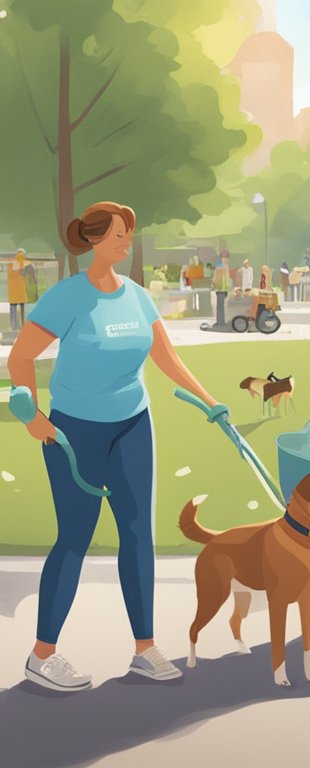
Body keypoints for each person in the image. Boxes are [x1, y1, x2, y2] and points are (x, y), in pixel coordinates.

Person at [7, 201, 228, 691]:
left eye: (129, 236)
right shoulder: (68, 298)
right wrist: (35, 419)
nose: (125, 245)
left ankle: (145, 649)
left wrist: (211, 402)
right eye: (117, 238)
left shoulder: (137, 297)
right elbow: (20, 359)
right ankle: (42, 655)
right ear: (92, 241)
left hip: (132, 425)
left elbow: (167, 359)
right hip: (73, 431)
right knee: (75, 537)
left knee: (137, 534)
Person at [7, 248, 37, 330]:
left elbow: (11, 275)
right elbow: (32, 277)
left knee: (14, 310)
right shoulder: (27, 263)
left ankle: (15, 327)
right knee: (21, 309)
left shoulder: (12, 263)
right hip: (20, 292)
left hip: (15, 292)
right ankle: (21, 326)